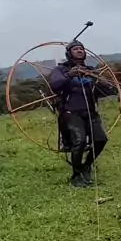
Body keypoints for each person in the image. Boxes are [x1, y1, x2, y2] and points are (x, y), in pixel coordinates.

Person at [49, 40, 116, 188]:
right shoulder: (61, 70)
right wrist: (70, 75)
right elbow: (54, 85)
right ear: (69, 53)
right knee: (79, 141)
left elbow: (107, 90)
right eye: (76, 49)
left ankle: (87, 166)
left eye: (81, 49)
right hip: (71, 112)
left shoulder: (91, 71)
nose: (79, 51)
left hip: (90, 112)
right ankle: (76, 175)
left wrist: (102, 81)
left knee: (101, 139)